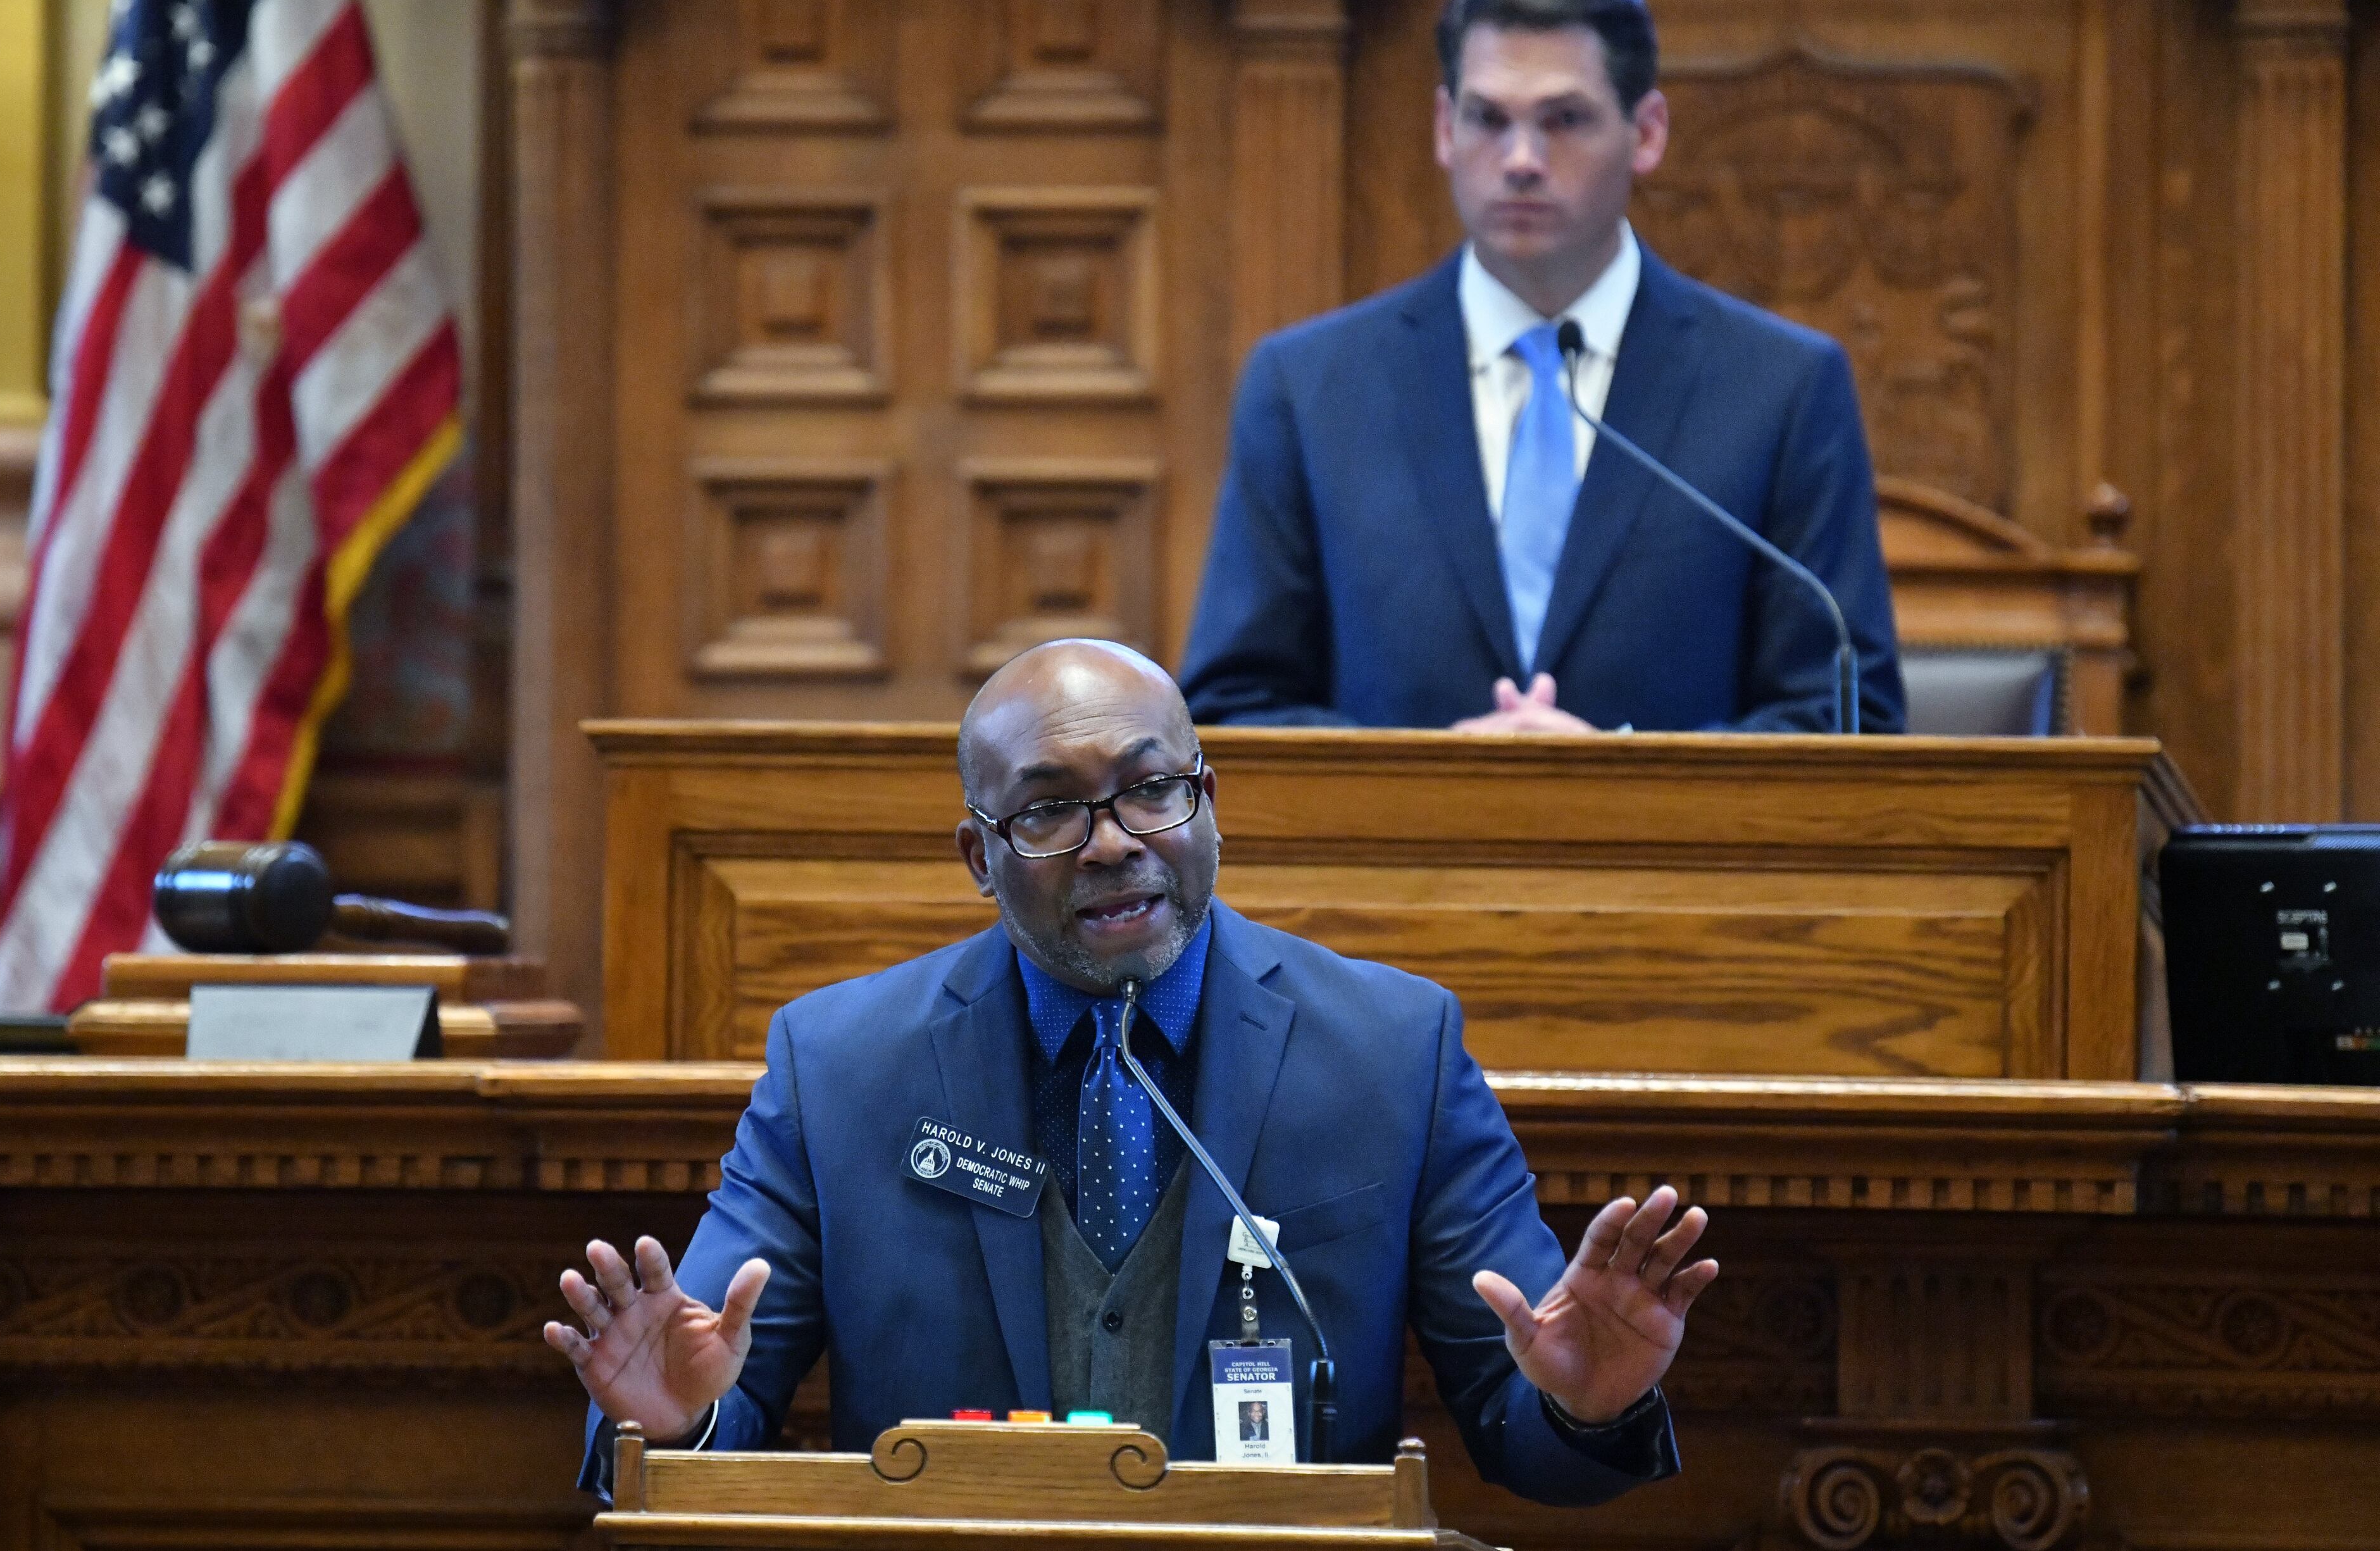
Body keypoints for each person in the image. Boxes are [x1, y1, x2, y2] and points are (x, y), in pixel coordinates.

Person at [551, 639, 1719, 1507]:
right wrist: (681, 1427)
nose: (1114, 841)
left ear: (1209, 800)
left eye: (1153, 789)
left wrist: (1584, 1400)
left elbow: (1524, 1437)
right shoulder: (842, 1064)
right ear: (980, 854)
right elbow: (704, 1392)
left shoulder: (1391, 1048)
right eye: (1053, 809)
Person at [1179, 0, 1904, 735]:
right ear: (1444, 130)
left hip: (1675, 860)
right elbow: (1232, 710)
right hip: (1402, 857)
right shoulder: (1311, 385)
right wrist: (1433, 778)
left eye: (1563, 120)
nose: (1521, 161)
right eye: (1488, 119)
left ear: (1648, 133)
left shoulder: (1780, 387)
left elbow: (1846, 714)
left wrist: (1625, 783)